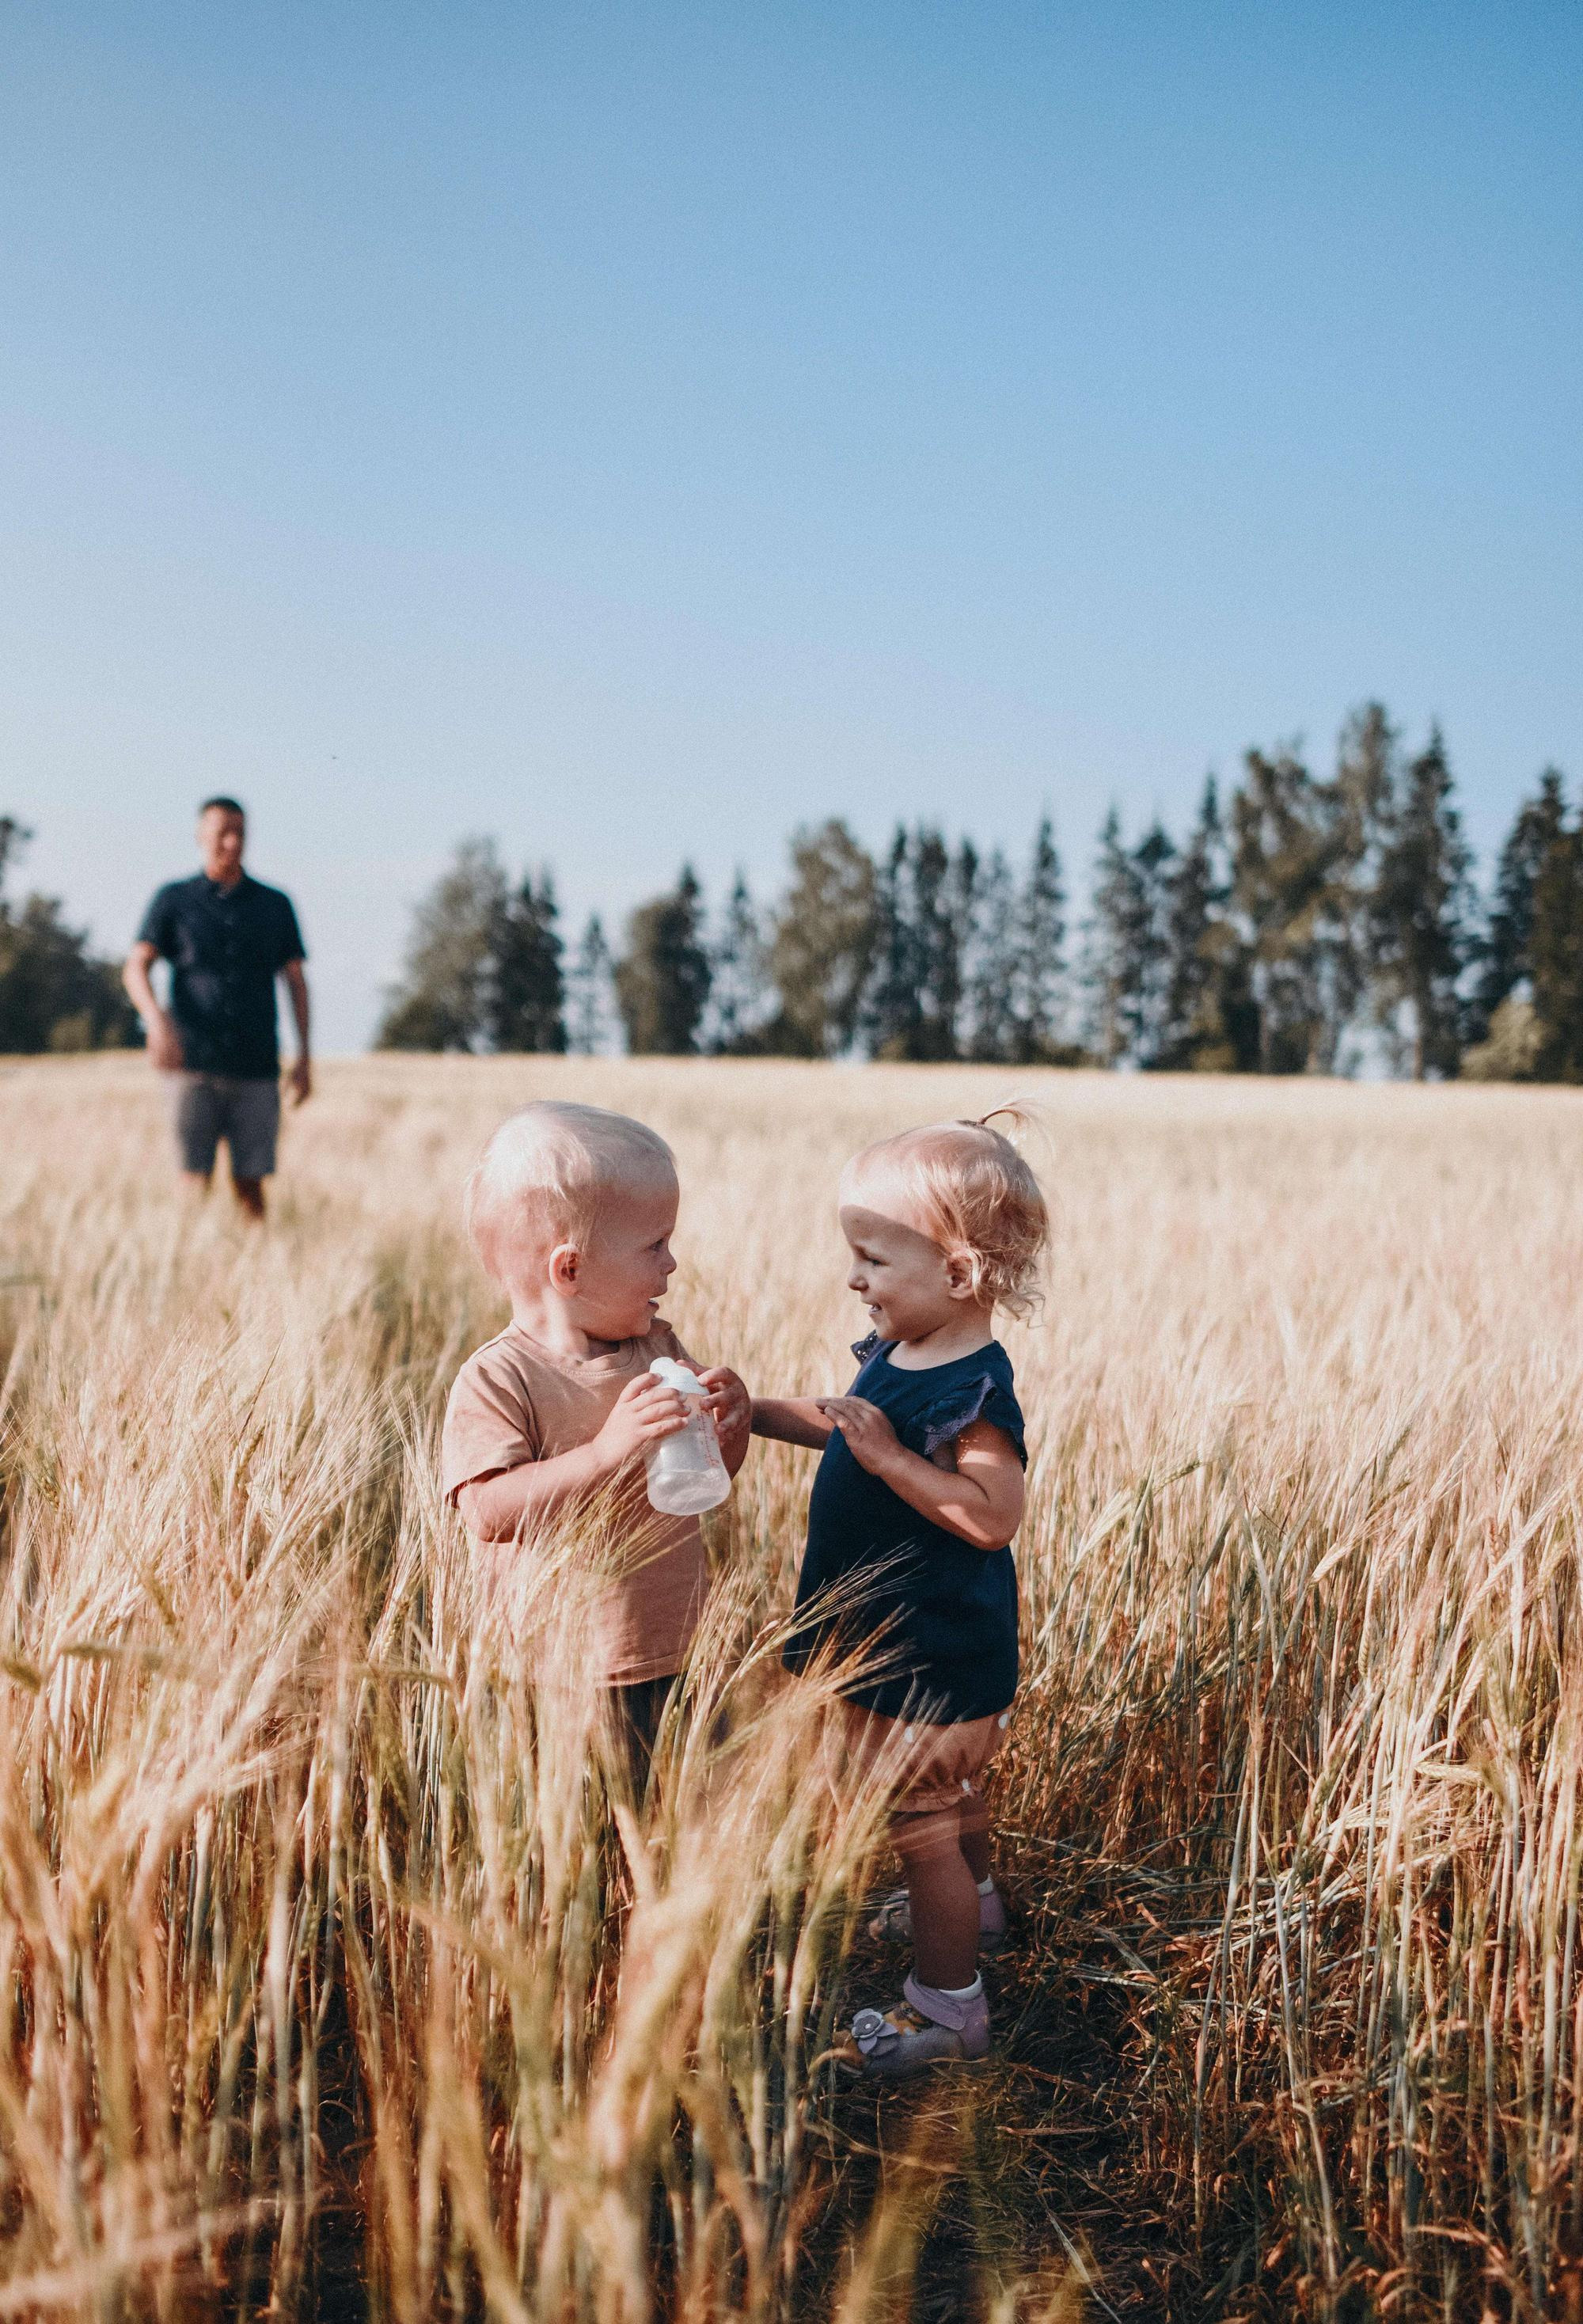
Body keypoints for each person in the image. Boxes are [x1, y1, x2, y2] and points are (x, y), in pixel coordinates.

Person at [752, 1112, 1047, 2080]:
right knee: (948, 1803)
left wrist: (886, 1461)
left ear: (956, 1275)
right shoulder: (902, 1348)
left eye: (872, 1257)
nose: (853, 1277)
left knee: (917, 1821)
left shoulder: (976, 1388)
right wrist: (750, 1410)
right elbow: (851, 1425)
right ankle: (978, 1905)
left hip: (929, 1653)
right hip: (902, 1638)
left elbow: (990, 1515)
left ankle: (948, 2007)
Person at [442, 1100, 751, 1787]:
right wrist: (608, 1453)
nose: (673, 1264)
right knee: (569, 1845)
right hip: (556, 1674)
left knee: (700, 1825)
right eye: (654, 1245)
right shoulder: (498, 1376)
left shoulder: (658, 1348)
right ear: (570, 1269)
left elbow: (704, 1481)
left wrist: (728, 1428)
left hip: (678, 1651)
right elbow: (487, 1512)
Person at [123, 798, 310, 1221]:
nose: (231, 842)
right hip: (191, 1066)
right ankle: (191, 1269)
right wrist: (155, 1021)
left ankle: (257, 1270)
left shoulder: (275, 904)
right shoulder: (173, 900)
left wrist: (304, 1057)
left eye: (240, 832)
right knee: (192, 1179)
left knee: (252, 1183)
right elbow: (136, 965)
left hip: (256, 1064)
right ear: (199, 836)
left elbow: (296, 982)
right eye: (222, 832)